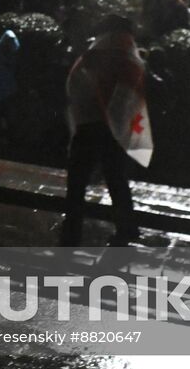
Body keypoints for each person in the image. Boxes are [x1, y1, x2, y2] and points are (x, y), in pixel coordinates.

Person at [60, 16, 151, 246]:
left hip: (87, 125)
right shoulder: (130, 58)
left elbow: (75, 87)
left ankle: (72, 231)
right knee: (116, 179)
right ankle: (126, 228)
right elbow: (131, 97)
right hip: (112, 131)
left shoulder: (92, 56)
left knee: (78, 181)